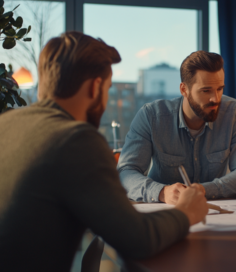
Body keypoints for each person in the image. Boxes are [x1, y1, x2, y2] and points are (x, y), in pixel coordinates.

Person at [0, 31, 208, 272]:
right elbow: (137, 239)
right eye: (108, 88)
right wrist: (185, 213)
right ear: (95, 86)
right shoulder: (75, 139)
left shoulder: (6, 124)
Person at [118, 50, 236, 204]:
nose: (215, 98)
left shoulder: (235, 114)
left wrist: (204, 190)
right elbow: (126, 173)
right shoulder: (151, 116)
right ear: (184, 89)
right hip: (165, 212)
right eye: (206, 91)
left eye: (220, 89)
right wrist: (161, 192)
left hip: (217, 212)